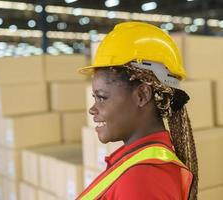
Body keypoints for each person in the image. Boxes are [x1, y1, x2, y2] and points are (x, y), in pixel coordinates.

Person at [76, 22, 198, 200]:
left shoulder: (142, 180)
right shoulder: (136, 161)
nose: (92, 109)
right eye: (94, 98)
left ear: (142, 95)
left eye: (101, 97)